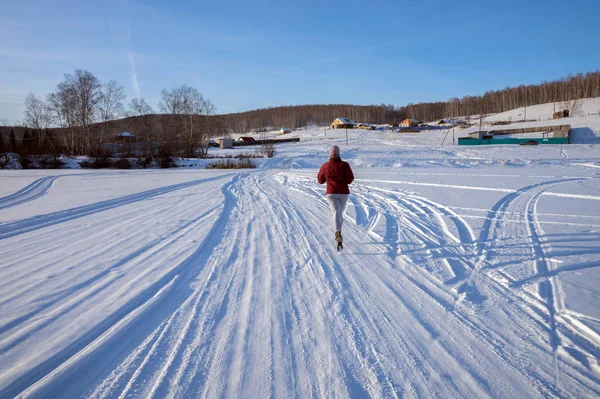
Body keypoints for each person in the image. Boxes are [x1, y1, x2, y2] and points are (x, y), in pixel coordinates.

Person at [317, 145, 354, 249]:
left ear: (330, 154)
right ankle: (338, 233)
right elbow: (350, 179)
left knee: (336, 212)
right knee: (338, 212)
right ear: (339, 154)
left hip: (331, 193)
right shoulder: (344, 165)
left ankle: (338, 233)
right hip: (343, 193)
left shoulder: (325, 166)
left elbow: (320, 180)